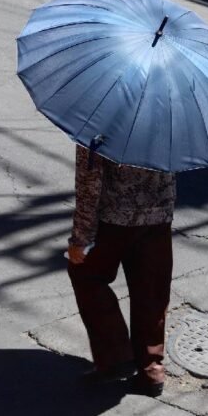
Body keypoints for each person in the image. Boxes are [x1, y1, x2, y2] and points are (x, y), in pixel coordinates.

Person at [67, 144, 176, 397]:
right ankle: (151, 368)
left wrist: (80, 239)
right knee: (152, 290)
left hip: (115, 218)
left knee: (85, 274)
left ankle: (115, 357)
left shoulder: (99, 118)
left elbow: (89, 181)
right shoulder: (168, 114)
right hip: (159, 217)